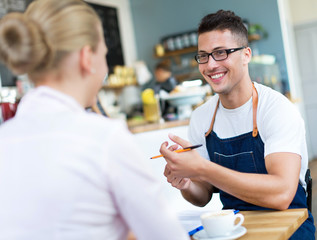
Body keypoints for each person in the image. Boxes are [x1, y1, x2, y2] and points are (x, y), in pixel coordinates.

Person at [0, 1, 189, 239]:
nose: (105, 68)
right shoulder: (105, 139)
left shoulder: (5, 140)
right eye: (104, 55)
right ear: (87, 57)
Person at [159, 10, 315, 239]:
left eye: (221, 53)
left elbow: (281, 194)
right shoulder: (201, 118)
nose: (210, 65)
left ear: (246, 55)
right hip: (234, 230)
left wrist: (201, 168)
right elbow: (202, 196)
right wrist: (185, 182)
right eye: (203, 55)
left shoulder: (276, 109)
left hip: (290, 227)